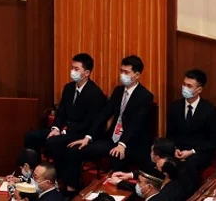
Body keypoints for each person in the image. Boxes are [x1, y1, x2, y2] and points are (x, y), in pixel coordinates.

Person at [59, 55, 155, 192]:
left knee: (117, 155)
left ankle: (113, 193)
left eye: (126, 72)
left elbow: (136, 124)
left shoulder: (145, 96)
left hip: (131, 143)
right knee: (76, 149)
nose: (122, 75)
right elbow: (103, 115)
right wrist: (88, 137)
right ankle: (72, 189)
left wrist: (122, 144)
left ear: (137, 75)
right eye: (121, 71)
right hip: (112, 138)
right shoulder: (118, 91)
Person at [25, 53, 106, 154]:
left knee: (52, 142)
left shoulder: (95, 93)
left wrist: (65, 131)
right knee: (31, 135)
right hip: (63, 128)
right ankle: (34, 167)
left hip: (79, 133)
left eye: (76, 69)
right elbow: (61, 112)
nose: (72, 71)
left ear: (86, 73)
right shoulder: (68, 88)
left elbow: (89, 122)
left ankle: (54, 169)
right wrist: (56, 128)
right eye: (72, 68)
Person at [166, 69, 216, 191]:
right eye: (184, 84)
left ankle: (189, 195)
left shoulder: (210, 110)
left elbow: (214, 141)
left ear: (199, 90)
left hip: (199, 152)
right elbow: (170, 134)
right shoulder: (175, 106)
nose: (184, 88)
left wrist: (191, 151)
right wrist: (175, 149)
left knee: (189, 165)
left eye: (189, 86)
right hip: (178, 149)